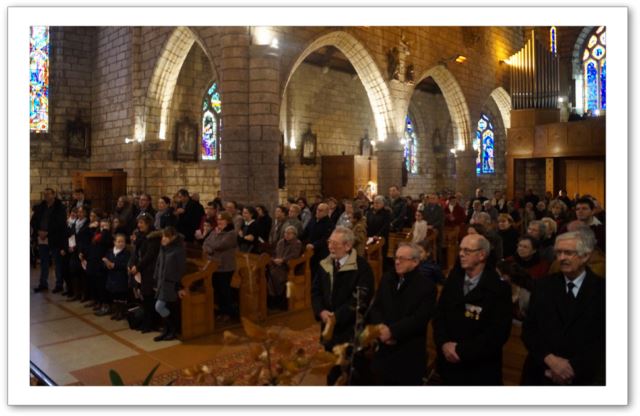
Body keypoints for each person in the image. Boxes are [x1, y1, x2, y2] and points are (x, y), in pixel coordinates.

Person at [521, 231, 605, 385]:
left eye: (568, 253)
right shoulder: (542, 286)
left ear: (585, 256)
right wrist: (550, 360)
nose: (561, 258)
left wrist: (571, 368)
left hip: (582, 378)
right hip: (540, 372)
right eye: (558, 253)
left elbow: (602, 339)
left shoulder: (603, 290)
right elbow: (529, 330)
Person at [433, 234, 512, 385]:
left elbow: (497, 333)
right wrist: (443, 343)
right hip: (448, 365)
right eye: (460, 250)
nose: (461, 254)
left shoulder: (499, 288)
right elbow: (439, 316)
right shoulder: (453, 280)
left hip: (479, 370)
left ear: (482, 255)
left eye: (467, 251)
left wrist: (461, 351)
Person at [366, 243, 437, 385]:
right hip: (383, 350)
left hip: (408, 353)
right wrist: (380, 328)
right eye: (396, 258)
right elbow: (375, 307)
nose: (397, 262)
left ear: (415, 262)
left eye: (402, 259)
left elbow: (419, 319)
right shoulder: (387, 278)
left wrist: (392, 332)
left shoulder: (427, 286)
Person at [311, 226, 374, 385]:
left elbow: (361, 300)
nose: (330, 247)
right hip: (328, 328)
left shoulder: (362, 268)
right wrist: (320, 311)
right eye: (329, 242)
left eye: (335, 243)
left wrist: (336, 317)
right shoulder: (325, 263)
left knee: (351, 374)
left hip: (350, 330)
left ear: (347, 246)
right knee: (332, 370)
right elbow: (316, 291)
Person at [128, 214, 162, 333]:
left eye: (141, 223)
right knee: (143, 297)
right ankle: (145, 321)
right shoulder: (140, 236)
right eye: (138, 223)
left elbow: (149, 255)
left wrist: (138, 267)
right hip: (140, 270)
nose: (139, 225)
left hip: (149, 271)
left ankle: (151, 323)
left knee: (148, 297)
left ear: (148, 224)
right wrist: (132, 265)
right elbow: (135, 252)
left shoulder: (153, 237)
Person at [152, 226, 186, 341]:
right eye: (163, 236)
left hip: (172, 284)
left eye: (166, 236)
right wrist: (155, 280)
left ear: (173, 237)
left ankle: (172, 330)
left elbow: (181, 269)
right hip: (162, 283)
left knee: (160, 306)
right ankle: (167, 330)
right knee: (164, 307)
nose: (163, 239)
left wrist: (179, 286)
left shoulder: (178, 250)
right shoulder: (163, 248)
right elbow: (158, 264)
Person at [203, 212, 238, 321]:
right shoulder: (215, 231)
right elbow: (205, 243)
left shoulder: (231, 233)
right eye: (218, 219)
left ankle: (228, 312)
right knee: (217, 290)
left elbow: (220, 245)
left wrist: (212, 246)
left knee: (225, 291)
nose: (219, 222)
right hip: (213, 265)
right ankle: (221, 311)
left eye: (221, 219)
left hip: (225, 266)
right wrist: (210, 249)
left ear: (227, 221)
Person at [31, 188, 68, 293]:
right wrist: (39, 231)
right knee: (44, 262)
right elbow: (33, 221)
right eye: (45, 194)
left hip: (55, 238)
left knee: (57, 262)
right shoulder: (40, 206)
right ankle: (43, 284)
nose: (46, 196)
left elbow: (60, 223)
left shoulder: (60, 207)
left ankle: (59, 284)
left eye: (48, 194)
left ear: (53, 194)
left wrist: (47, 232)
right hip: (41, 238)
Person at [267, 225, 302, 310]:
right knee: (267, 272)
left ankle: (277, 300)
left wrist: (283, 260)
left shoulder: (297, 243)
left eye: (289, 233)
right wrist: (274, 259)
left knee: (274, 274)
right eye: (285, 233)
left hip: (288, 267)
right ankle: (272, 299)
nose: (286, 235)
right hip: (277, 265)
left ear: (294, 234)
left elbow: (294, 255)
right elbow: (275, 253)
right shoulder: (280, 242)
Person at [103, 233, 131, 321]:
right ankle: (117, 311)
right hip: (112, 277)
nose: (121, 243)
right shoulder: (110, 252)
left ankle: (121, 312)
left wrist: (114, 265)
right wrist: (107, 265)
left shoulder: (126, 253)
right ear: (114, 242)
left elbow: (126, 265)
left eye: (123, 241)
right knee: (114, 295)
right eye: (119, 241)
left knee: (121, 296)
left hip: (121, 277)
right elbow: (105, 262)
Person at [302, 202, 334, 277]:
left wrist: (314, 245)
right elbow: (305, 232)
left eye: (320, 210)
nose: (318, 212)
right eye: (317, 209)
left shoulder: (329, 224)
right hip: (309, 250)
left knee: (319, 273)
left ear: (326, 212)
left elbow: (325, 238)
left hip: (321, 252)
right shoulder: (313, 220)